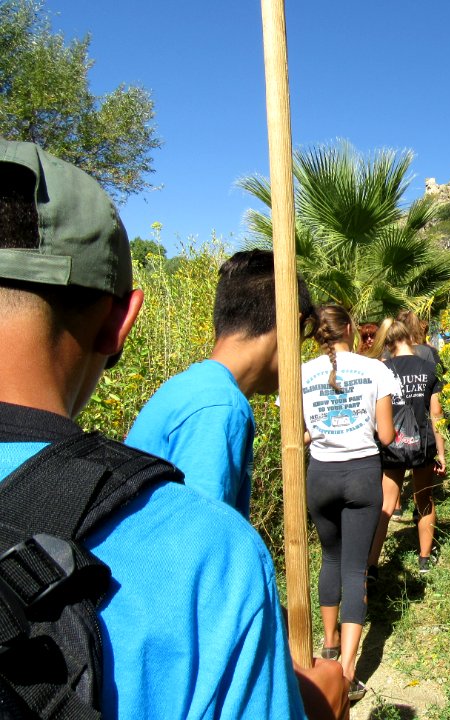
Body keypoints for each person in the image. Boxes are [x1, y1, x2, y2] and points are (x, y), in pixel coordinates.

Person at [0, 140, 346, 719]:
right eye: (299, 340)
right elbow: (196, 592)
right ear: (120, 322)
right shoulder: (220, 420)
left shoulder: (188, 386)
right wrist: (309, 704)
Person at [126, 249, 315, 517]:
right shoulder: (220, 407)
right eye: (302, 337)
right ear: (288, 326)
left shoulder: (193, 387)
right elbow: (200, 542)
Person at [300, 305, 397, 702]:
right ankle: (348, 671)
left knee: (331, 559)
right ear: (352, 330)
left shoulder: (301, 373)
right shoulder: (375, 370)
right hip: (361, 474)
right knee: (356, 569)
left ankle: (328, 645)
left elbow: (299, 435)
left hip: (319, 475)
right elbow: (387, 436)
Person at [367, 318, 446, 577]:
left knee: (387, 504)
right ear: (409, 339)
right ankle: (424, 558)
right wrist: (442, 453)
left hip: (393, 444)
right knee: (424, 499)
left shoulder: (382, 370)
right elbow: (436, 414)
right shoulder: (429, 368)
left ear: (388, 344)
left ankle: (371, 564)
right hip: (423, 445)